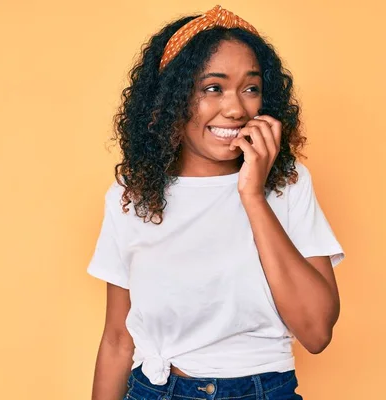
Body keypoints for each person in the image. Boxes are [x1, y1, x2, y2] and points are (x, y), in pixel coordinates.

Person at [87, 5, 345, 399]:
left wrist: (253, 194)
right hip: (155, 390)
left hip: (261, 389)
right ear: (173, 99)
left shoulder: (287, 185)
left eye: (251, 88)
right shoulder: (133, 194)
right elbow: (119, 339)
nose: (236, 109)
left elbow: (316, 331)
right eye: (213, 88)